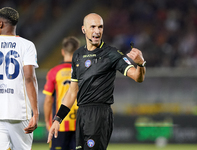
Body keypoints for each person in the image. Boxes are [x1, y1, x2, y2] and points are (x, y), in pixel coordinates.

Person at [47, 13, 146, 150]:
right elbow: (72, 92)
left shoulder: (111, 54)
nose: (97, 31)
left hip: (99, 114)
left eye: (100, 27)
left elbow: (137, 77)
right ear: (84, 29)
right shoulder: (78, 55)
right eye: (93, 27)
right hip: (82, 114)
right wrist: (58, 119)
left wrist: (140, 64)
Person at [0, 7, 39, 150]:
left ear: (0, 24)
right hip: (19, 112)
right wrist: (35, 112)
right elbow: (29, 78)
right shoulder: (27, 45)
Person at [43, 36, 80, 150]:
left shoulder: (54, 72)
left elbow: (49, 100)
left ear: (63, 51)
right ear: (78, 51)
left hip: (60, 124)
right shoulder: (82, 71)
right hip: (80, 123)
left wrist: (47, 121)